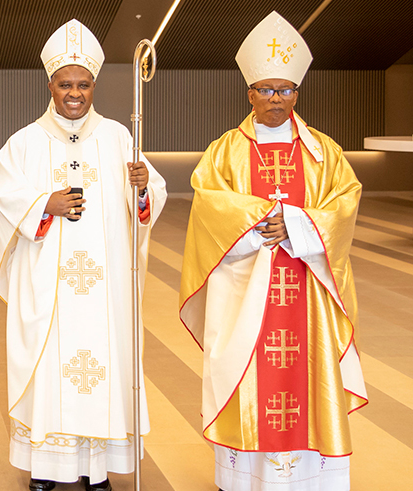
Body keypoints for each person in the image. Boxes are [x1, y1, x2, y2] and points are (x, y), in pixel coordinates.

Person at [179, 11, 367, 491]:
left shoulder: (324, 152)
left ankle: (311, 479)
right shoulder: (225, 151)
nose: (276, 100)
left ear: (297, 93)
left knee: (307, 374)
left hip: (309, 289)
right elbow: (209, 206)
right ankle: (243, 479)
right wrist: (261, 221)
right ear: (250, 94)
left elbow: (344, 205)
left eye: (285, 90)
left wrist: (300, 223)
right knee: (248, 373)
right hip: (247, 296)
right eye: (266, 90)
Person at [0, 19, 167, 491]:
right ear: (50, 84)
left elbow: (150, 200)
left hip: (104, 292)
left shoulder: (119, 137)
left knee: (102, 370)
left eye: (83, 84)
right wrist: (43, 204)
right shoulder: (24, 143)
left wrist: (142, 188)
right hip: (48, 290)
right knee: (50, 370)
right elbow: (4, 196)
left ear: (94, 85)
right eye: (66, 84)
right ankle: (46, 468)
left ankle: (97, 468)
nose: (74, 93)